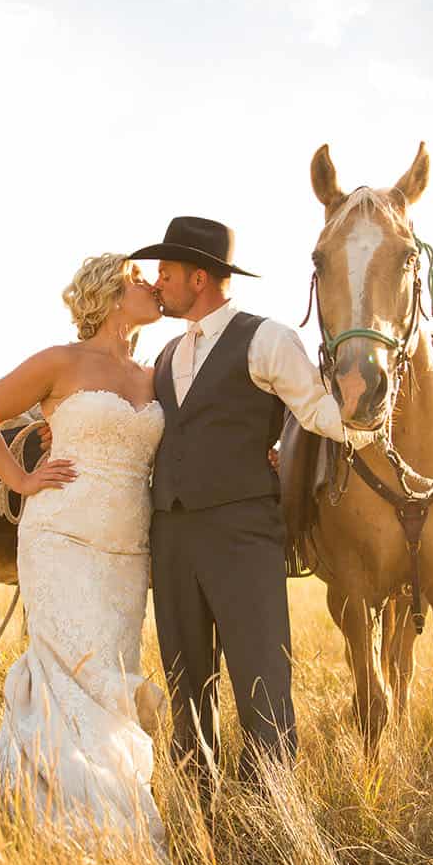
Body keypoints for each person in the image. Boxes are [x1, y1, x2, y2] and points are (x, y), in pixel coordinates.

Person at [127, 216, 369, 795]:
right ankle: (199, 807)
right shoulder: (164, 354)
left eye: (166, 273)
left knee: (261, 678)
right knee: (187, 682)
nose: (158, 284)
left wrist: (363, 416)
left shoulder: (266, 338)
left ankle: (273, 816)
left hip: (242, 533)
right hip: (172, 537)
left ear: (201, 278)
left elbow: (318, 414)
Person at [0, 253, 169, 856]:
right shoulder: (60, 361)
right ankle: (79, 811)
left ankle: (85, 779)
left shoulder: (154, 376)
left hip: (127, 551)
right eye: (140, 279)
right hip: (59, 538)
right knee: (71, 674)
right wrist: (20, 479)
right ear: (115, 295)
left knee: (110, 681)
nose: (154, 286)